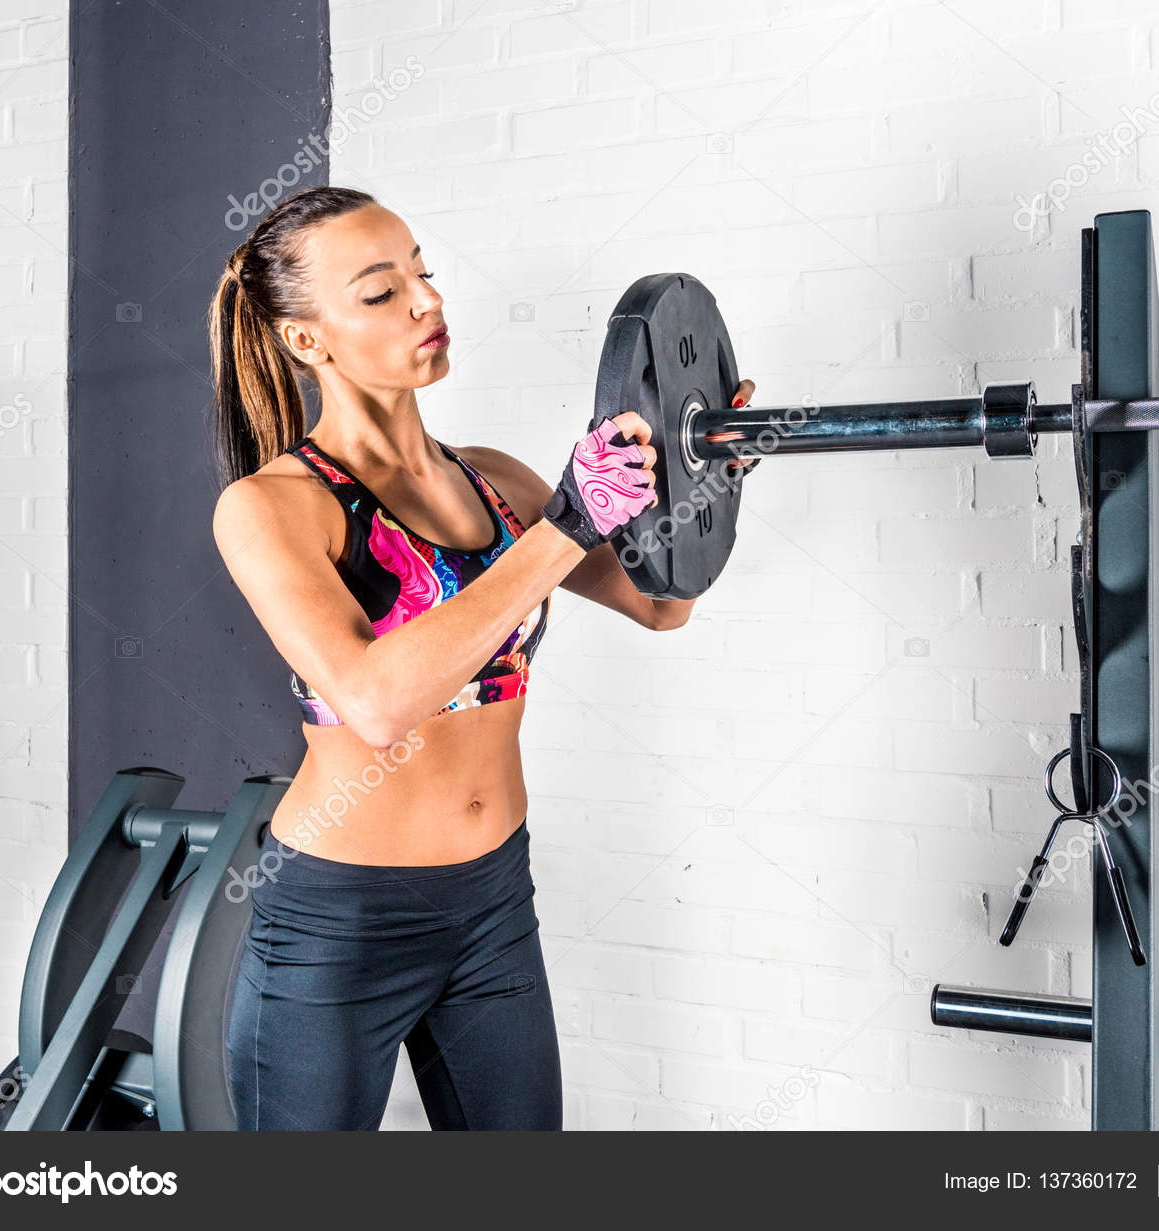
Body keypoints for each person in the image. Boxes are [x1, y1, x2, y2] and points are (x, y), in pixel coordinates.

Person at [208, 185, 756, 1130]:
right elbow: (376, 701)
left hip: (494, 900)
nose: (427, 301)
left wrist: (702, 469)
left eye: (423, 272)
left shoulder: (496, 479)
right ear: (308, 340)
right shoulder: (270, 508)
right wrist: (569, 523)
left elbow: (662, 606)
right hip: (341, 920)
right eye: (381, 293)